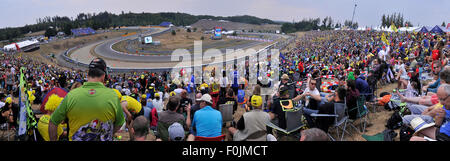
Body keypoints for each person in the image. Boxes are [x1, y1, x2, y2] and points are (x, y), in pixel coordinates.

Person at [49, 58, 125, 141]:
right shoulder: (113, 95)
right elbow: (120, 123)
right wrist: (109, 134)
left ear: (87, 74)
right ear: (103, 76)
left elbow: (53, 122)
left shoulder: (71, 95)